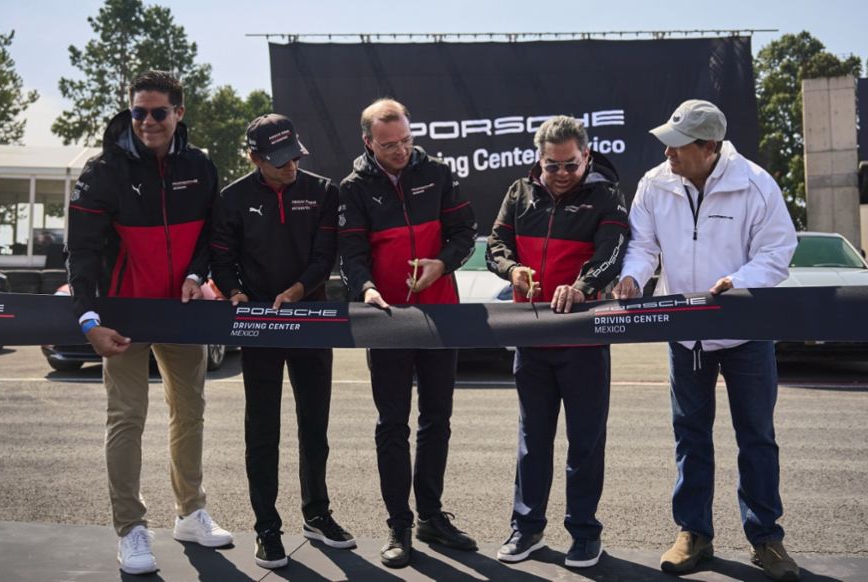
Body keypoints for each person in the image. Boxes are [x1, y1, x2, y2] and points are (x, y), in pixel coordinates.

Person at [613, 99, 800, 581]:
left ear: (710, 147)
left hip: (746, 333)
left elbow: (779, 250)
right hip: (685, 333)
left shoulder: (755, 184)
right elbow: (643, 246)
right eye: (668, 142)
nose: (668, 152)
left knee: (756, 436)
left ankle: (766, 539)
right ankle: (693, 532)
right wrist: (634, 278)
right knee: (690, 436)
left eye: (679, 145)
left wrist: (736, 281)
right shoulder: (655, 184)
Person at [66, 70, 232, 575]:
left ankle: (190, 512)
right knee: (127, 419)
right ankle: (131, 529)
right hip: (123, 316)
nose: (147, 122)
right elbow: (83, 255)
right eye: (139, 112)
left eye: (159, 112)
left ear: (179, 113)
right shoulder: (103, 171)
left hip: (181, 314)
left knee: (191, 412)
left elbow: (211, 234)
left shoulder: (201, 165)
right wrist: (89, 320)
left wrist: (197, 273)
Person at [209, 113, 355, 569]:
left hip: (310, 319)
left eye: (295, 154)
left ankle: (317, 514)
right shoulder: (232, 198)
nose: (291, 164)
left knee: (315, 428)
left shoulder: (323, 191)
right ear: (255, 158)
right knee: (262, 431)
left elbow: (324, 255)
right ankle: (267, 527)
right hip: (259, 326)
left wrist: (296, 292)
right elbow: (222, 256)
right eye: (279, 159)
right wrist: (234, 291)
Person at [337, 98, 478, 568]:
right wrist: (368, 289)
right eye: (389, 144)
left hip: (441, 316)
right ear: (367, 142)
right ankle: (399, 525)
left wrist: (443, 264)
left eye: (406, 140)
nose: (400, 151)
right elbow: (352, 255)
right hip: (388, 320)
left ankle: (431, 516)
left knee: (437, 420)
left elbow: (464, 231)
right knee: (392, 425)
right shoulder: (353, 188)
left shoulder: (438, 172)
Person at [486, 116, 629, 569]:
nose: (562, 174)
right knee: (533, 439)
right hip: (531, 337)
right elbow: (495, 245)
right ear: (538, 160)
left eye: (570, 164)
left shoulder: (606, 194)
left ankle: (584, 533)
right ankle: (526, 529)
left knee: (585, 441)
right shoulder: (518, 192)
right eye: (552, 166)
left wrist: (582, 286)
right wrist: (512, 271)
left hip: (583, 339)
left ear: (585, 156)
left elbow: (612, 251)